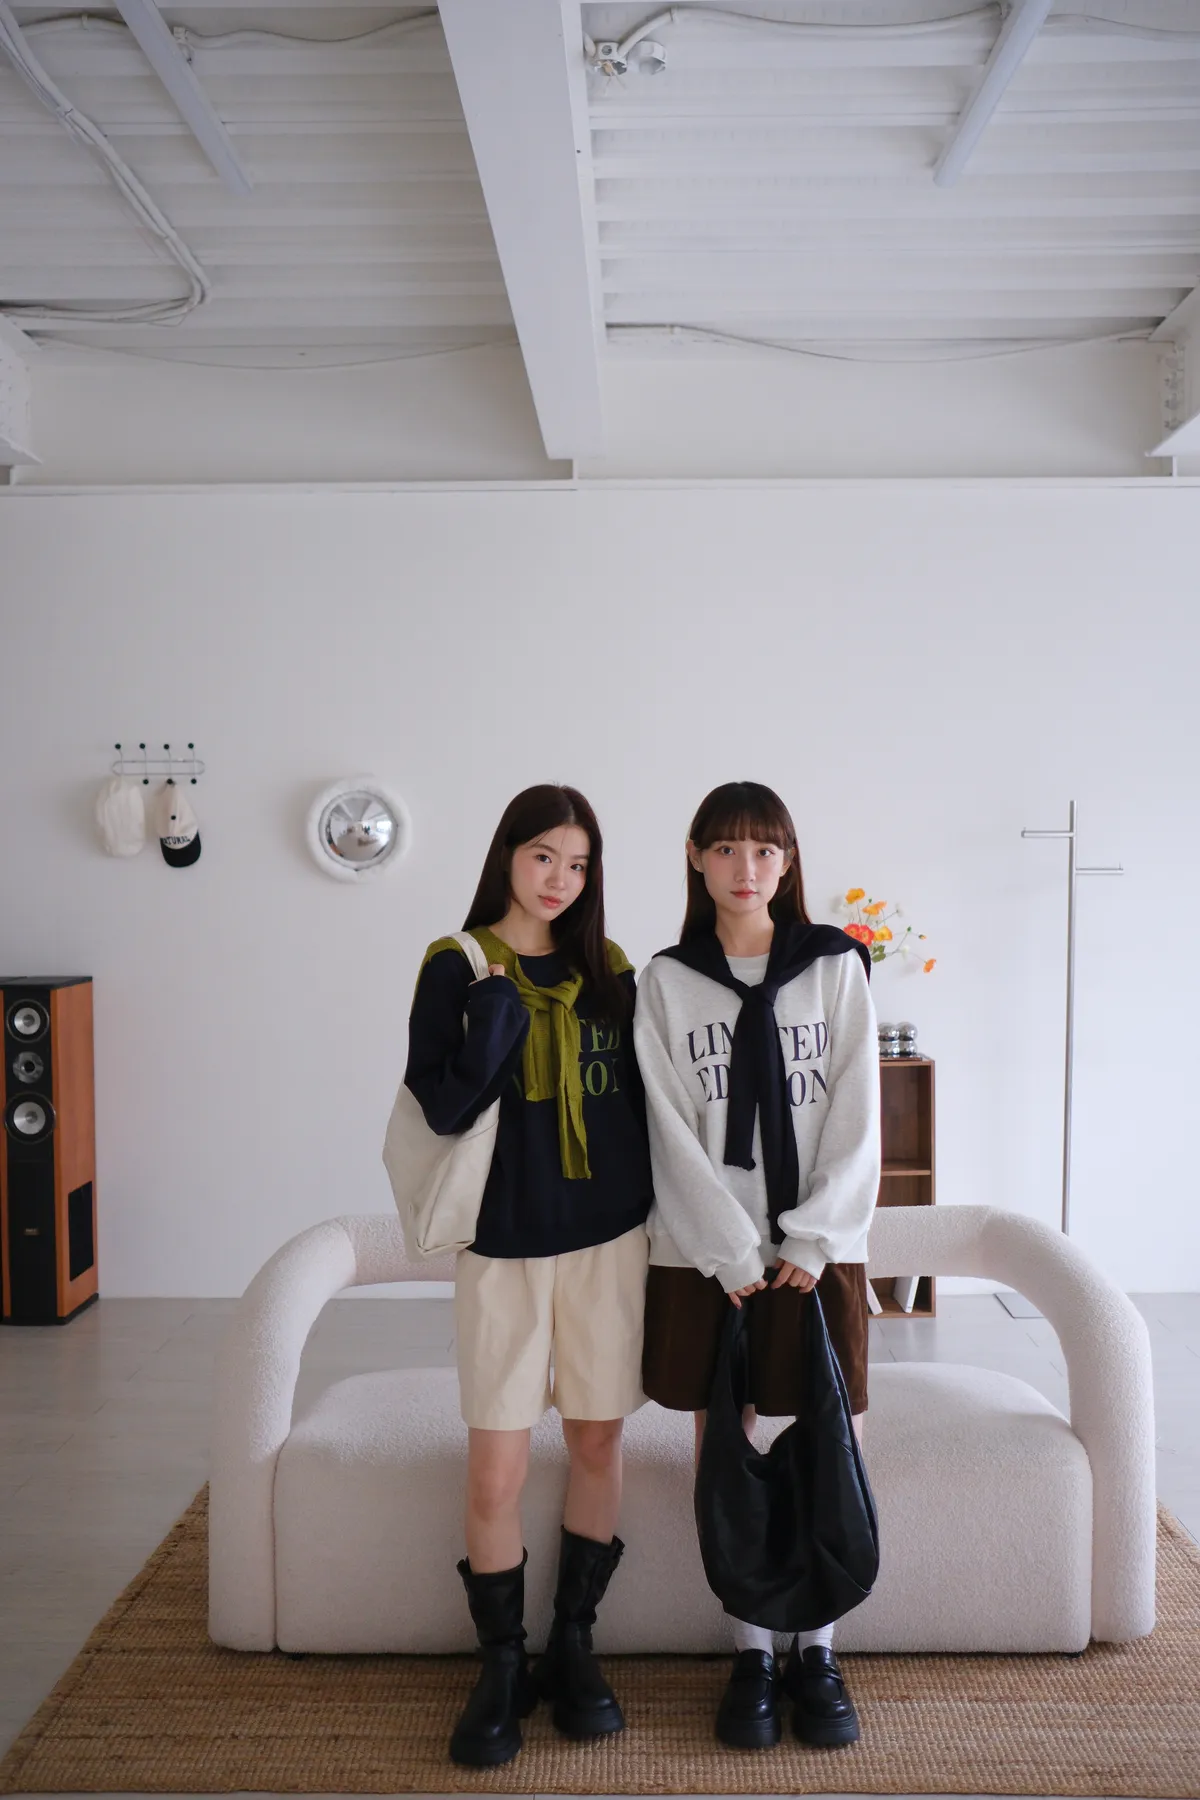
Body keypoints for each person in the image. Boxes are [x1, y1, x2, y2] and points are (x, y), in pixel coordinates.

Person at [404, 784, 653, 1769]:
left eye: (578, 864)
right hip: (502, 1248)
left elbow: (649, 1103)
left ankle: (574, 1643)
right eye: (544, 855)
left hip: (608, 1242)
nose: (560, 879)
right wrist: (492, 1031)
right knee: (495, 1468)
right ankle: (502, 1665)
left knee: (597, 1440)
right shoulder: (458, 964)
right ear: (507, 853)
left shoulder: (612, 969)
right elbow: (439, 1109)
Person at [634, 780, 880, 1751]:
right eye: (728, 849)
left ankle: (817, 1650)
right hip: (708, 1255)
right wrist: (727, 1249)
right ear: (696, 858)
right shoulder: (666, 980)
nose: (747, 869)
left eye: (765, 850)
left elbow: (859, 1111)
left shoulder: (835, 967)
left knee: (828, 1429)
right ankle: (749, 1651)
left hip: (817, 1252)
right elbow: (663, 1126)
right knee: (723, 1442)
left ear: (788, 862)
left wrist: (813, 1240)